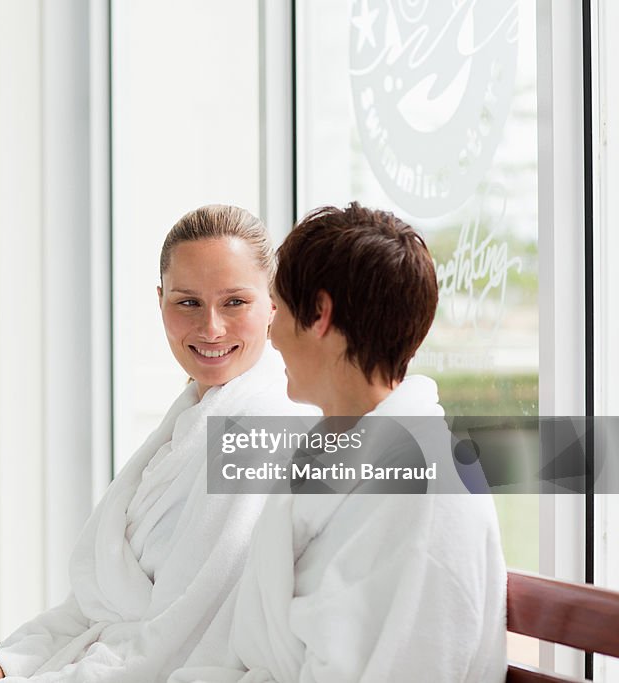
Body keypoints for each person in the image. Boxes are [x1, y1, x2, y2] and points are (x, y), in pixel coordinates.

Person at [0, 205, 317, 683]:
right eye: (187, 302)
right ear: (160, 300)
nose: (211, 328)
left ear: (273, 305)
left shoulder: (266, 431)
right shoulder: (188, 421)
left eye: (235, 302)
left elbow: (178, 643)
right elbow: (89, 607)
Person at [170, 202, 507, 683]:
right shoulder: (329, 457)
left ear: (319, 315)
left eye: (278, 306)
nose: (272, 331)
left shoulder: (427, 500)